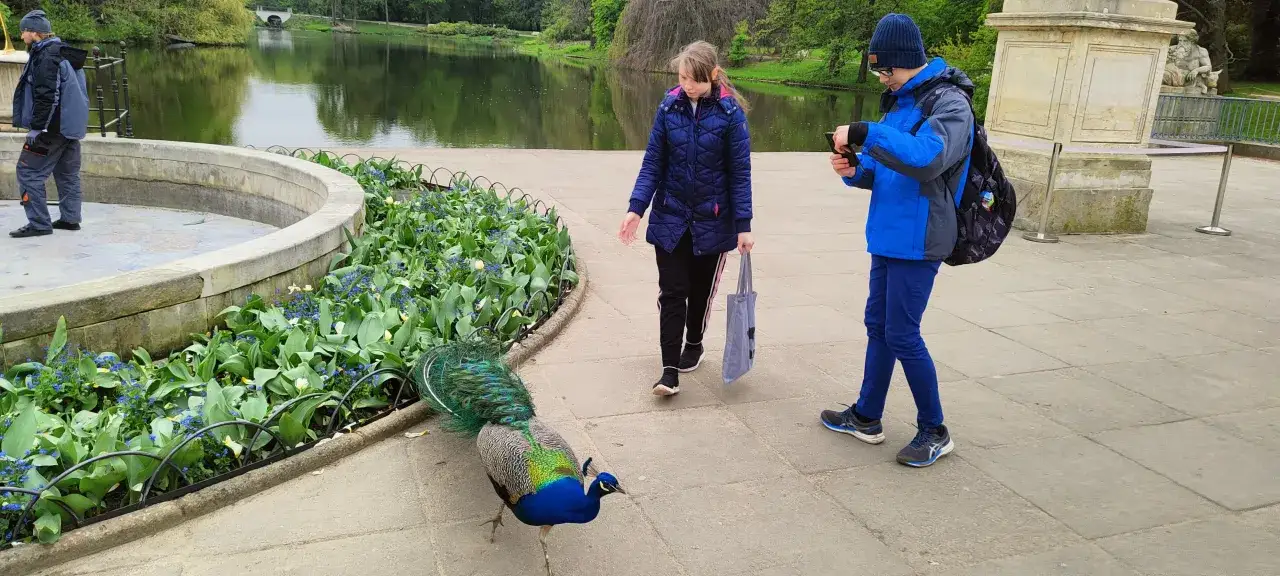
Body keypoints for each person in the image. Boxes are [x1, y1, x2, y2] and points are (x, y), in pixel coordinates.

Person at [819, 13, 975, 468]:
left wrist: (868, 132)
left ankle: (936, 430)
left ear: (909, 61)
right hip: (888, 233)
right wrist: (856, 171)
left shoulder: (949, 103)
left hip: (921, 236)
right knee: (878, 328)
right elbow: (889, 170)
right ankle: (867, 416)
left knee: (903, 334)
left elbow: (928, 160)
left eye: (886, 70)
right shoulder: (900, 101)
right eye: (878, 71)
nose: (883, 78)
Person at [618, 40, 754, 397]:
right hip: (671, 217)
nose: (687, 86)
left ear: (712, 75)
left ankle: (693, 343)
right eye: (682, 78)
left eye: (694, 80)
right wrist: (636, 208)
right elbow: (653, 163)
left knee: (699, 292)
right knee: (673, 291)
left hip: (713, 220)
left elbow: (740, 173)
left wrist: (744, 226)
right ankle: (668, 372)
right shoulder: (669, 106)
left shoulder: (730, 114)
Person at [9, 9, 90, 239]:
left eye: (23, 31)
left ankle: (39, 223)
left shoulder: (47, 57)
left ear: (34, 33)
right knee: (67, 174)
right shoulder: (62, 52)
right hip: (69, 129)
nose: (22, 36)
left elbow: (46, 96)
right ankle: (70, 218)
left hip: (52, 129)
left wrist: (37, 127)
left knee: (27, 171)